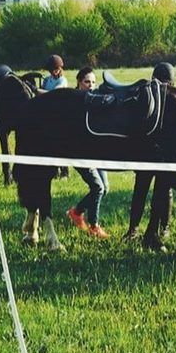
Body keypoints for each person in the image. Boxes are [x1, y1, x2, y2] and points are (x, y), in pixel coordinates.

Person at [125, 62, 176, 241]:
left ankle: (144, 228)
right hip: (155, 153)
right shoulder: (170, 99)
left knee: (144, 190)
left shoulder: (147, 96)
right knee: (156, 191)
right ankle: (157, 228)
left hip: (150, 152)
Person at [66, 67, 110, 238]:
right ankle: (94, 226)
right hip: (79, 152)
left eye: (93, 82)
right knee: (98, 187)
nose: (90, 86)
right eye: (86, 82)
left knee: (104, 188)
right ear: (78, 82)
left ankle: (76, 212)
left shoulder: (95, 99)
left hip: (96, 151)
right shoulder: (73, 101)